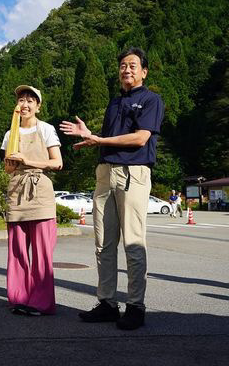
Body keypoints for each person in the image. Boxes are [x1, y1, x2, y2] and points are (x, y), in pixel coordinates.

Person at [60, 47, 164, 331]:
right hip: (105, 173)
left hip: (133, 173)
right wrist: (90, 136)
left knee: (132, 242)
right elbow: (105, 140)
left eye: (132, 65)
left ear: (144, 71)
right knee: (103, 243)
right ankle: (107, 303)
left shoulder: (151, 100)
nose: (126, 70)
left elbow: (140, 138)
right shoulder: (114, 103)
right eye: (122, 65)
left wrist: (98, 139)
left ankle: (135, 306)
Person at [1, 85, 62, 316]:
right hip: (17, 191)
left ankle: (41, 302)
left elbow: (57, 162)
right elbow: (7, 169)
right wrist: (12, 163)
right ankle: (19, 297)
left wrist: (28, 160)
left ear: (38, 106)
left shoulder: (45, 129)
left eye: (30, 100)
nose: (24, 104)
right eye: (21, 100)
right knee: (17, 249)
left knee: (42, 251)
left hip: (40, 191)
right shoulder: (10, 133)